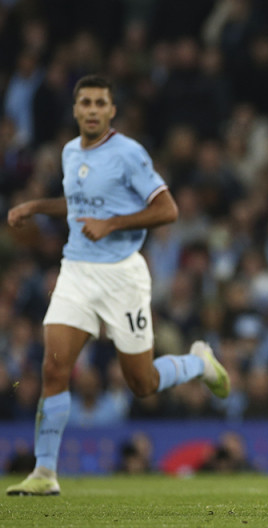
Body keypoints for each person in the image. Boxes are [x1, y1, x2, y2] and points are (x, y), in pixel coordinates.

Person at [5, 75, 230, 497]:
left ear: (111, 111)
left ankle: (200, 363)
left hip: (122, 276)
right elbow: (80, 205)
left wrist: (114, 223)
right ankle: (44, 472)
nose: (91, 109)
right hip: (76, 271)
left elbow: (168, 209)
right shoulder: (70, 152)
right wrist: (35, 206)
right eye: (84, 102)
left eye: (99, 103)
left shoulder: (129, 154)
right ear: (75, 110)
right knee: (54, 366)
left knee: (140, 384)